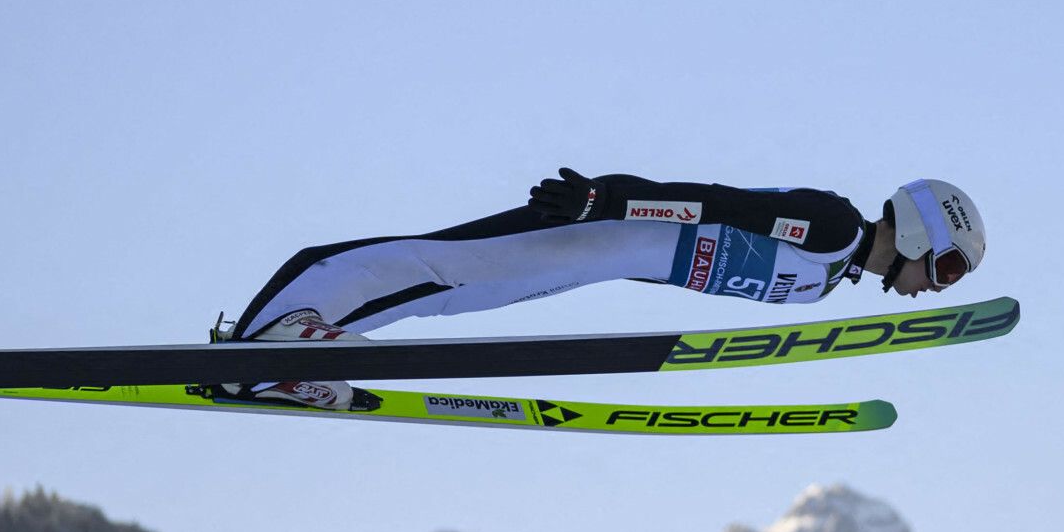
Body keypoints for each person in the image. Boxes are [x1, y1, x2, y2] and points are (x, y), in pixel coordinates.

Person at [218, 170, 986, 410]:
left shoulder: (821, 284)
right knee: (430, 260)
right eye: (946, 270)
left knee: (442, 291)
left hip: (589, 261)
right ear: (919, 233)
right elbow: (718, 203)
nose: (933, 288)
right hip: (588, 233)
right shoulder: (832, 229)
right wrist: (608, 197)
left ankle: (289, 359)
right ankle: (272, 338)